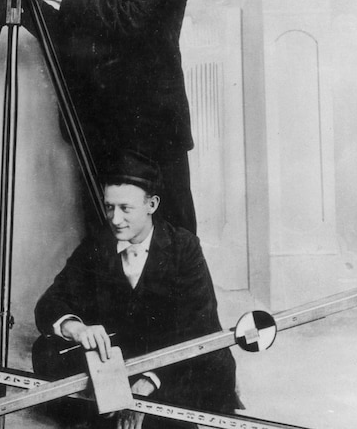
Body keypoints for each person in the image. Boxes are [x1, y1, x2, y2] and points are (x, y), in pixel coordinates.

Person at [0, 0, 197, 234]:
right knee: (106, 244)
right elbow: (73, 36)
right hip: (101, 131)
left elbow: (131, 22)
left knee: (170, 242)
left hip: (152, 133)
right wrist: (26, 3)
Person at [32, 149, 240, 429]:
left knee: (212, 363)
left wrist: (148, 385)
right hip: (123, 358)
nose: (115, 219)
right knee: (45, 350)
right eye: (109, 207)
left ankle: (133, 409)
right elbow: (50, 302)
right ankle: (117, 406)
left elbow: (198, 329)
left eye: (125, 208)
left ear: (151, 204)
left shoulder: (183, 248)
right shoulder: (97, 246)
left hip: (172, 362)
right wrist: (77, 328)